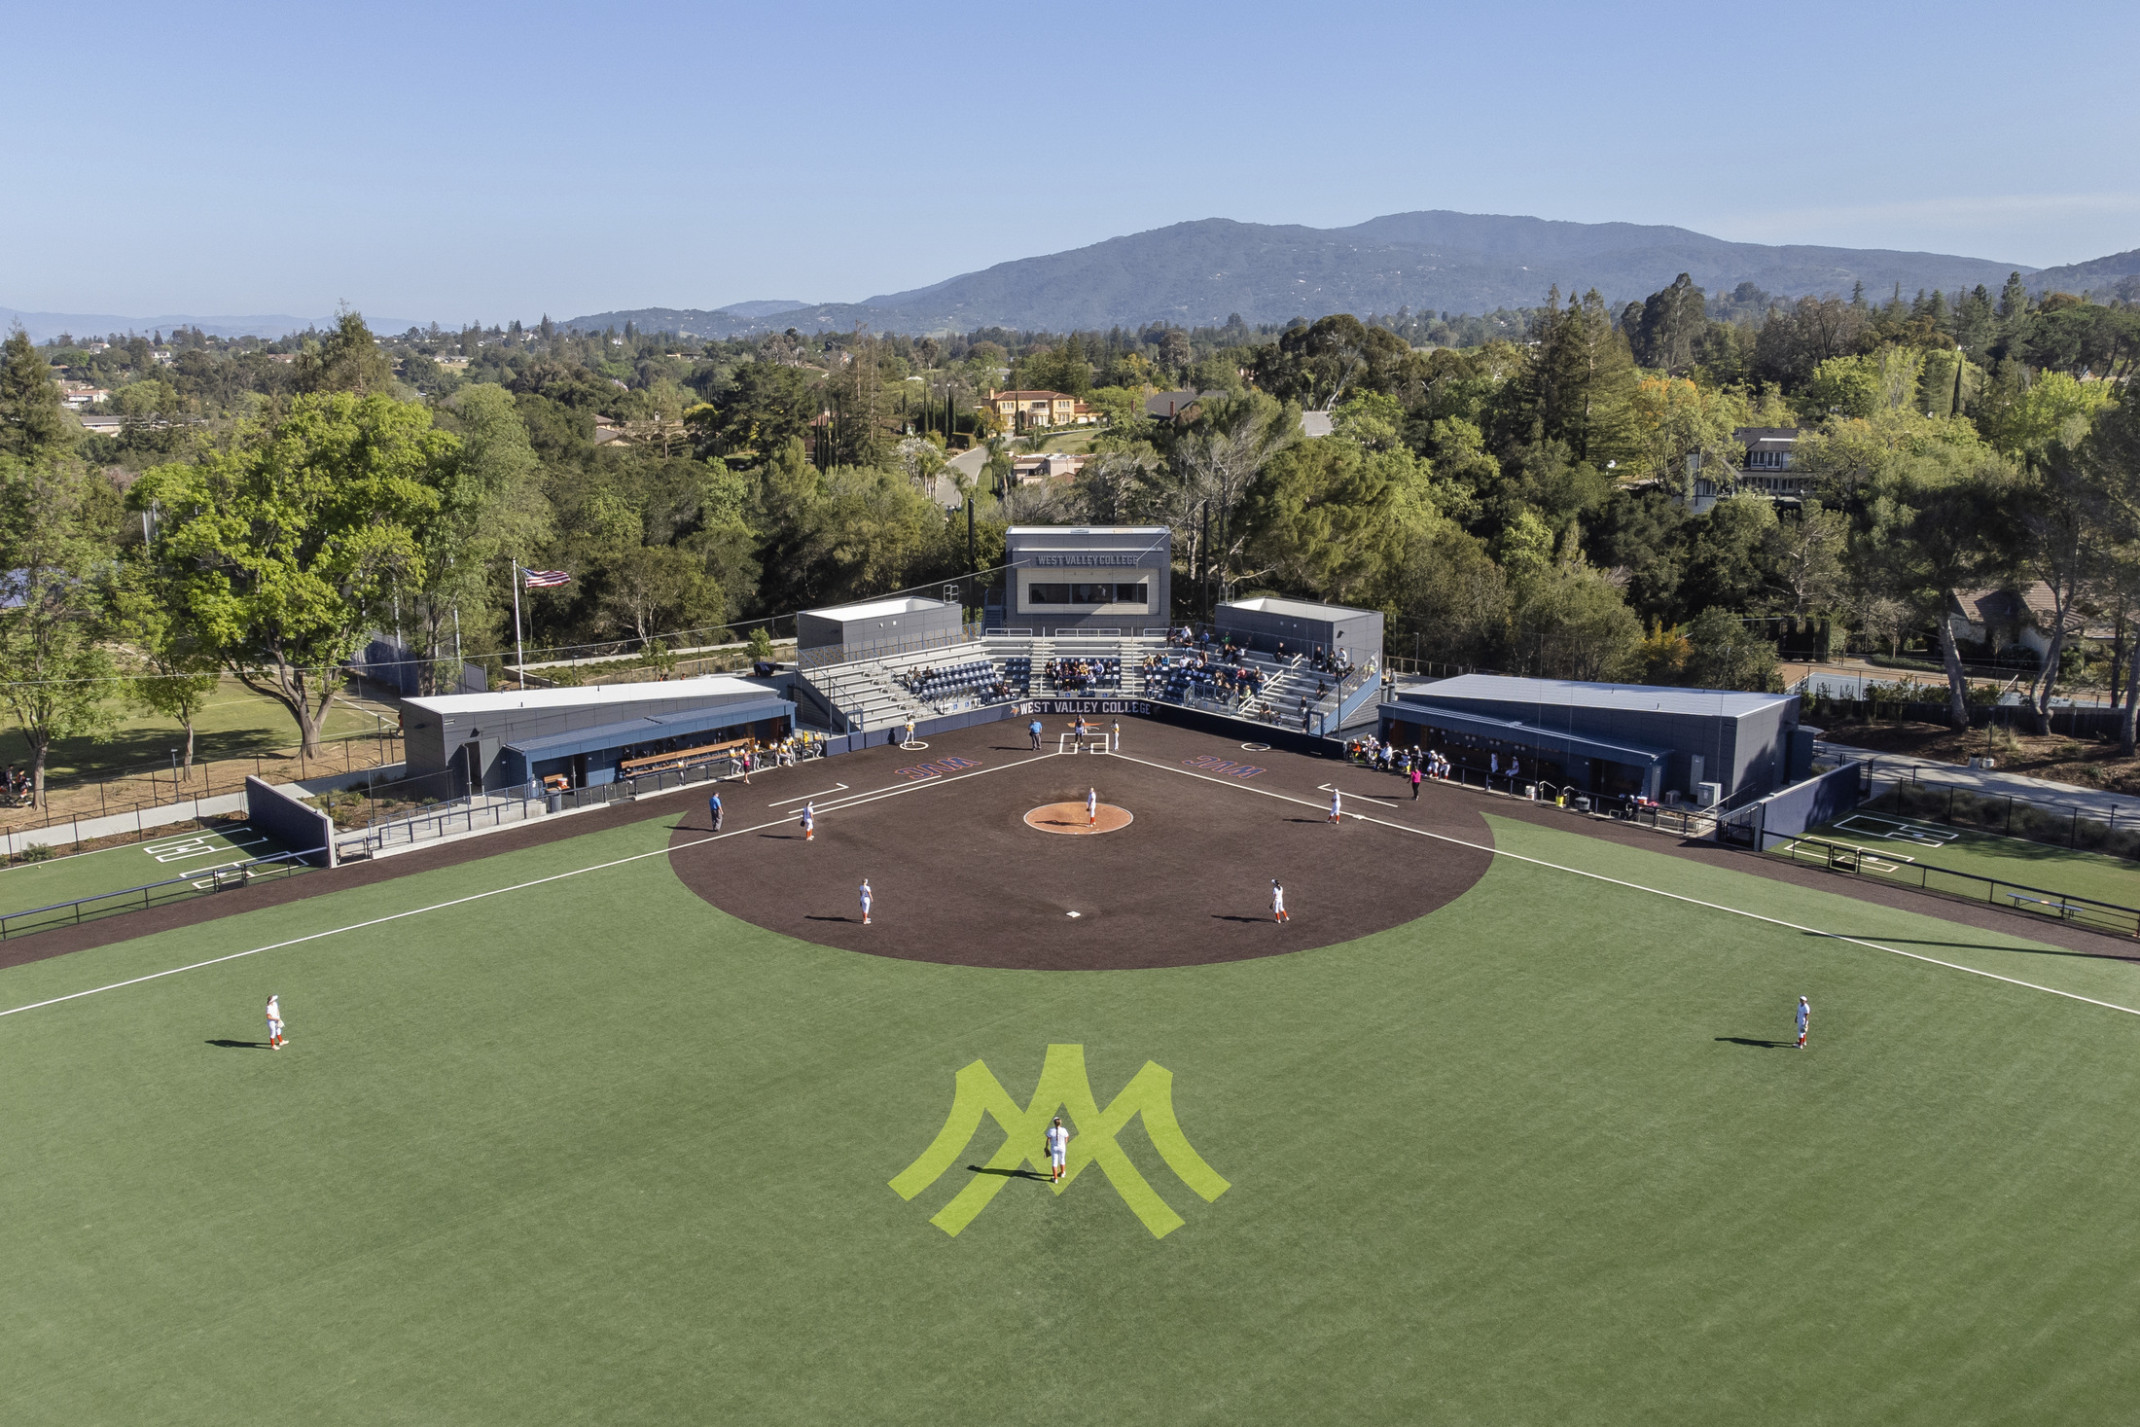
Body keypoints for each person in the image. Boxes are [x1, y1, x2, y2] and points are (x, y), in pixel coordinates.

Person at [1045, 1115, 1071, 1184]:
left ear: (1054, 1123)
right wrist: (1065, 1142)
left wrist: (1046, 1147)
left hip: (1054, 1148)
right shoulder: (1064, 1130)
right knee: (1062, 1159)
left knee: (1054, 1162)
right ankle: (1062, 1173)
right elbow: (1067, 1137)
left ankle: (1055, 1179)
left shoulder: (1051, 1130)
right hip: (1062, 1147)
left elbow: (1048, 1140)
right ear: (1060, 1123)